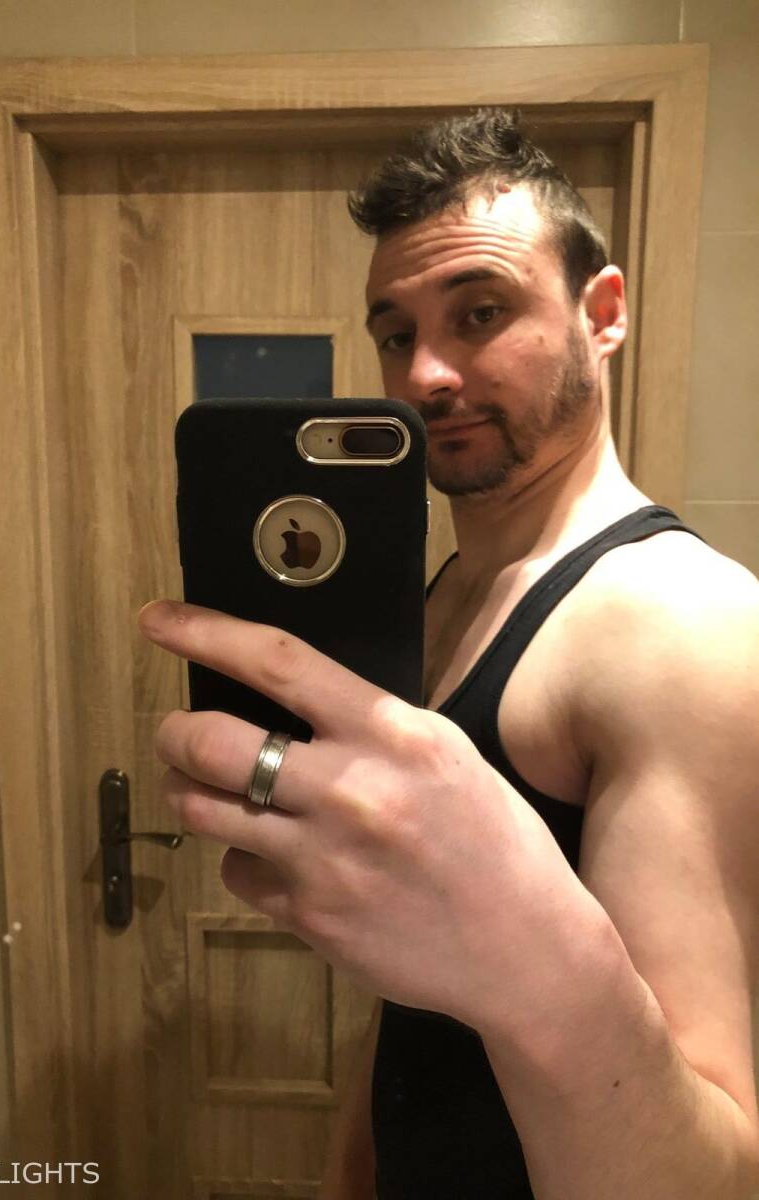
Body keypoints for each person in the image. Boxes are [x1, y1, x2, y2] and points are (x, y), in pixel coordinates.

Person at [138, 109, 759, 1198]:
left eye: (481, 313)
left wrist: (530, 950)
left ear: (602, 314)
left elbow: (715, 1172)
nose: (425, 374)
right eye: (395, 333)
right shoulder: (448, 593)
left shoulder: (683, 629)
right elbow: (421, 992)